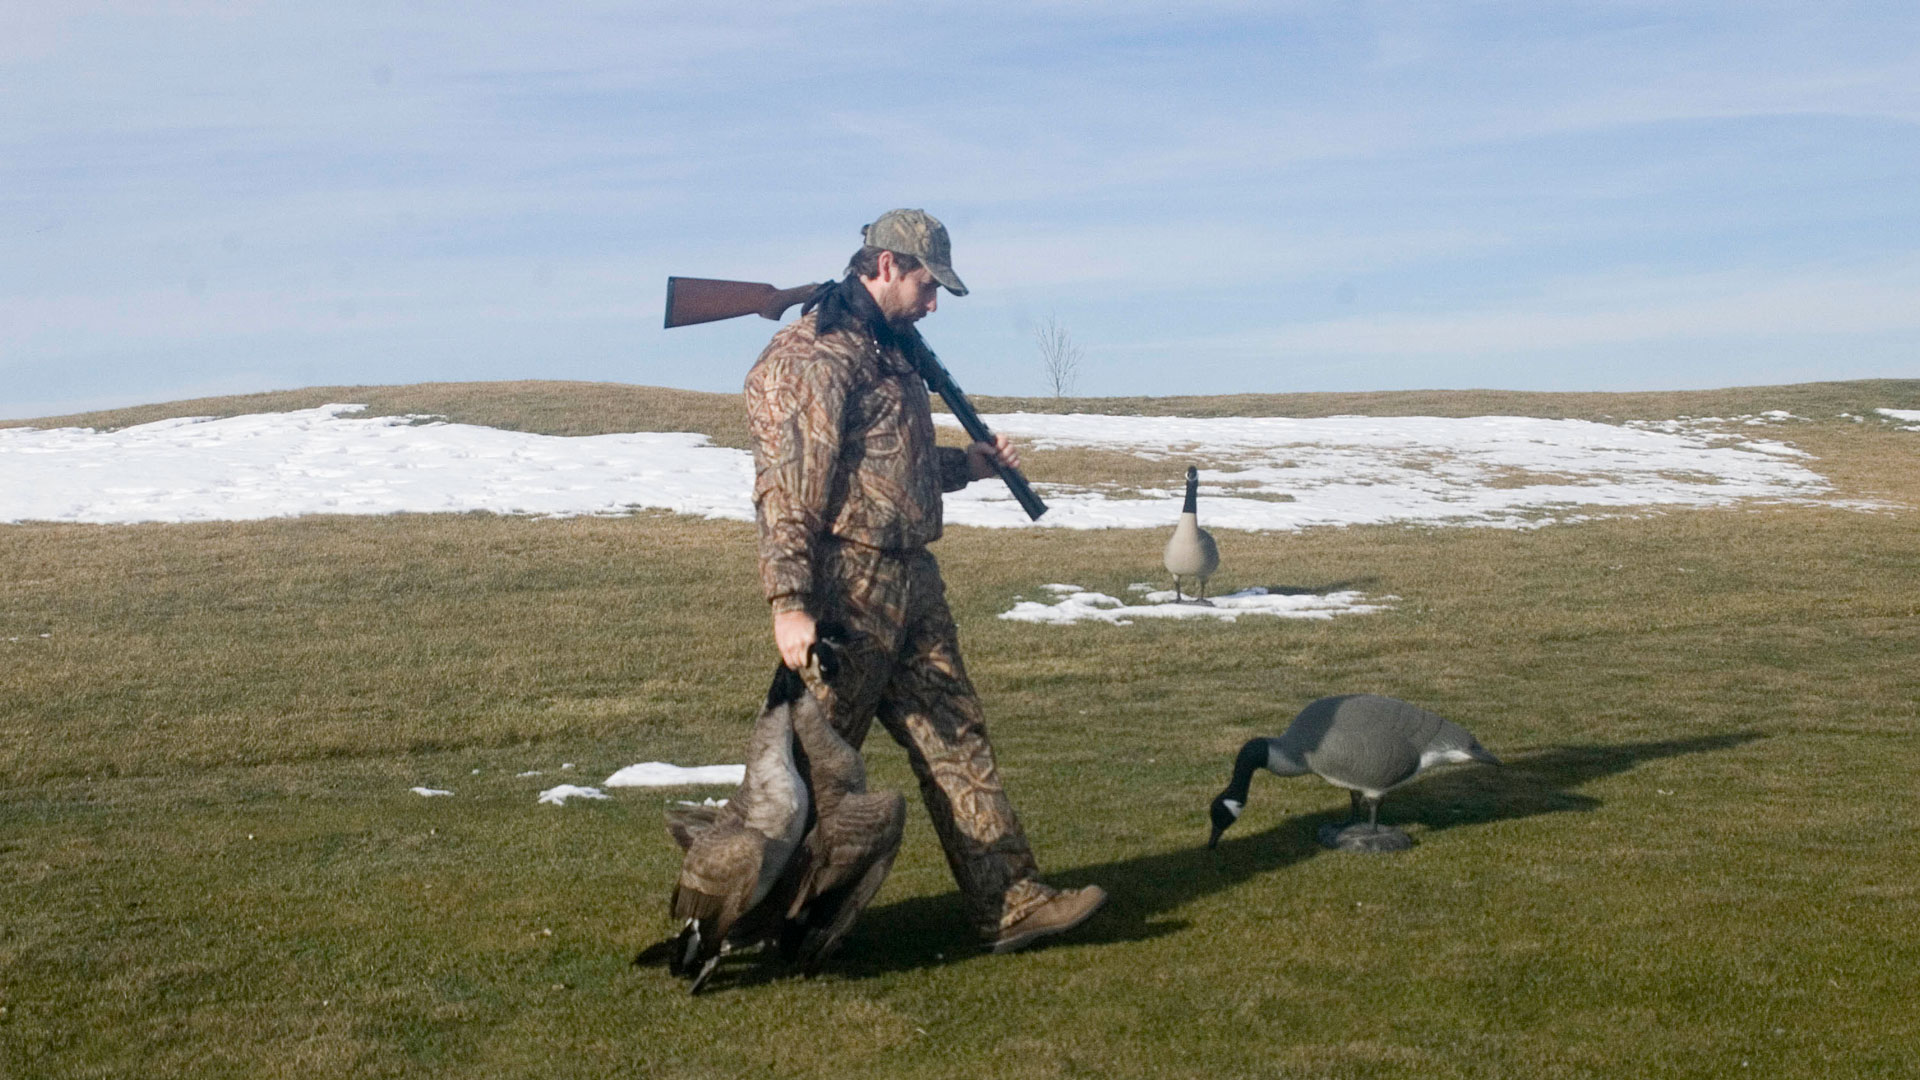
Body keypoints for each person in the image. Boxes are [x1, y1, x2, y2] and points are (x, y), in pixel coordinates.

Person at [742, 208, 1106, 954]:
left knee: (957, 738)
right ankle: (732, 916)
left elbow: (884, 470)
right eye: (924, 283)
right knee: (806, 771)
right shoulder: (814, 357)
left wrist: (965, 468)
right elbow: (787, 490)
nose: (934, 302)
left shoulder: (889, 349)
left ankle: (1010, 901)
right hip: (847, 589)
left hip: (912, 582)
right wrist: (788, 603)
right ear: (883, 267)